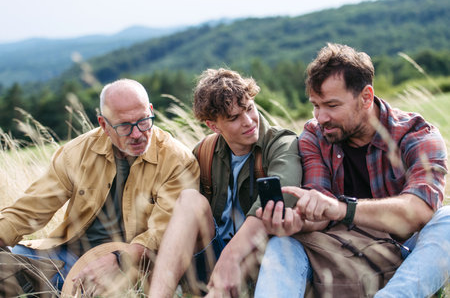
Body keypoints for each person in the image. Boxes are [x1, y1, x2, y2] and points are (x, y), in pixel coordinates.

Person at [255, 43, 449, 297]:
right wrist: (297, 222)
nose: (321, 116)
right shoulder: (314, 135)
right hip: (339, 254)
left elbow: (418, 211)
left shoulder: (417, 134)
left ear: (366, 97)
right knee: (283, 244)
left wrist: (343, 208)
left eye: (332, 106)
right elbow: (320, 208)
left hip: (405, 258)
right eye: (316, 105)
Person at [0, 79, 200, 295]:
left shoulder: (178, 160)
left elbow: (162, 233)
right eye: (124, 125)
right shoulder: (76, 152)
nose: (137, 134)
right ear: (104, 124)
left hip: (127, 267)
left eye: (143, 121)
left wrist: (119, 259)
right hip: (63, 255)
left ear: (150, 110)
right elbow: (29, 209)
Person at [148, 68, 303, 297]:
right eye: (234, 118)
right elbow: (181, 217)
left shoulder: (281, 143)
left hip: (259, 260)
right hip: (211, 258)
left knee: (267, 223)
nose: (249, 121)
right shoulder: (204, 152)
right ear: (214, 126)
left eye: (249, 108)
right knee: (189, 199)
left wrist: (232, 256)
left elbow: (284, 195)